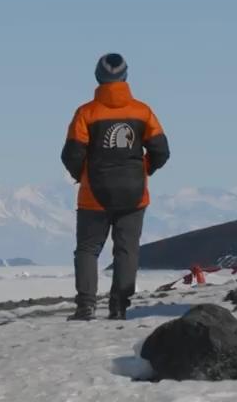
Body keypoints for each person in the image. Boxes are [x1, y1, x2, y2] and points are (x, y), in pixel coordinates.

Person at [60, 53, 170, 321]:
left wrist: (81, 175)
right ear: (125, 76)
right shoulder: (142, 112)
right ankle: (119, 306)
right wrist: (144, 169)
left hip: (94, 194)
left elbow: (71, 154)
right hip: (134, 193)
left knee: (88, 249)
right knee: (126, 250)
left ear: (97, 76)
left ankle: (86, 306)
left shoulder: (86, 113)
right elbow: (161, 151)